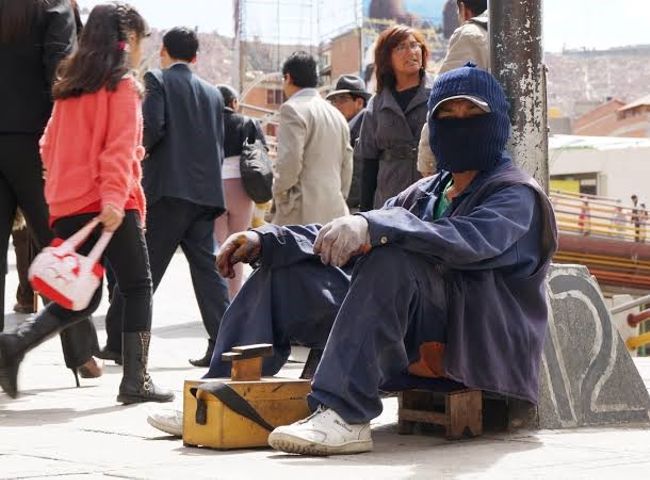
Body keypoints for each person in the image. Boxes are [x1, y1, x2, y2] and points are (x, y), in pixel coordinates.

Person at [146, 66, 558, 455]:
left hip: (473, 336)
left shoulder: (516, 194)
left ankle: (345, 413)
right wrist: (268, 239)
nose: (461, 121)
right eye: (448, 113)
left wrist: (376, 227)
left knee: (391, 258)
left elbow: (466, 241)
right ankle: (219, 394)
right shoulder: (426, 192)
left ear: (496, 122)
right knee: (284, 272)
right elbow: (346, 233)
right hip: (408, 316)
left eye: (473, 112)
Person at [0, 2, 173, 404]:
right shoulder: (123, 86)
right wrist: (114, 196)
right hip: (109, 204)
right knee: (137, 286)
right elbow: (116, 150)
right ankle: (137, 380)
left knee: (83, 295)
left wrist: (64, 188)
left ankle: (15, 345)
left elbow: (47, 147)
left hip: (66, 204)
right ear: (126, 39)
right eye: (138, 41)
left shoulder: (69, 87)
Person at [98, 27, 230, 369]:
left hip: (168, 191)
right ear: (196, 57)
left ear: (164, 52)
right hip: (205, 195)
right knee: (207, 272)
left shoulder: (157, 79)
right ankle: (225, 345)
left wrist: (138, 156)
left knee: (138, 271)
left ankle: (116, 342)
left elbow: (152, 126)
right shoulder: (213, 93)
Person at [0, 0, 101, 381]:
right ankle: (81, 354)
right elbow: (59, 76)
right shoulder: (52, 6)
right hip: (34, 142)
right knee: (58, 247)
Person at [271, 51, 353, 225]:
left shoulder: (292, 109)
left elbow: (289, 163)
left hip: (300, 211)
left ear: (288, 78)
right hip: (335, 210)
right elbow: (347, 166)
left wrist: (279, 194)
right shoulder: (336, 115)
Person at [357, 25, 432, 211]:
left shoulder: (438, 93)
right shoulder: (377, 104)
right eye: (401, 47)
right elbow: (368, 164)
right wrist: (364, 215)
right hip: (388, 197)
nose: (411, 52)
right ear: (386, 58)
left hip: (431, 195)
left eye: (415, 45)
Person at [418, 0, 488, 177]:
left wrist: (428, 161)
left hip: (474, 160)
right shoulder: (517, 31)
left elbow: (444, 98)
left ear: (464, 10)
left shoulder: (470, 35)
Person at [214, 84, 267, 299]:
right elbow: (262, 151)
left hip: (214, 188)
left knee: (218, 246)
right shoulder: (247, 122)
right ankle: (234, 296)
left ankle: (218, 298)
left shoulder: (208, 123)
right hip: (242, 189)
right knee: (236, 245)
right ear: (234, 103)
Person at [326, 74, 371, 212]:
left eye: (343, 100)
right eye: (334, 101)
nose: (337, 105)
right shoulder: (343, 127)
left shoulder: (365, 124)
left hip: (356, 207)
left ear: (359, 103)